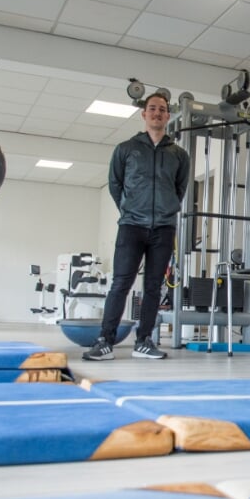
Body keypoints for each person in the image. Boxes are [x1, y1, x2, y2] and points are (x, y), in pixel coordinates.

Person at [83, 91, 190, 361]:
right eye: (152, 108)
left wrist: (164, 209)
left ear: (168, 115)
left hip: (164, 228)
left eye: (162, 109)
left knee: (154, 287)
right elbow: (115, 184)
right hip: (131, 225)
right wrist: (131, 208)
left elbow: (179, 189)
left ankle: (144, 341)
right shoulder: (126, 149)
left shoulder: (179, 154)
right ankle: (105, 341)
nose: (157, 113)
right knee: (120, 284)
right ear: (144, 114)